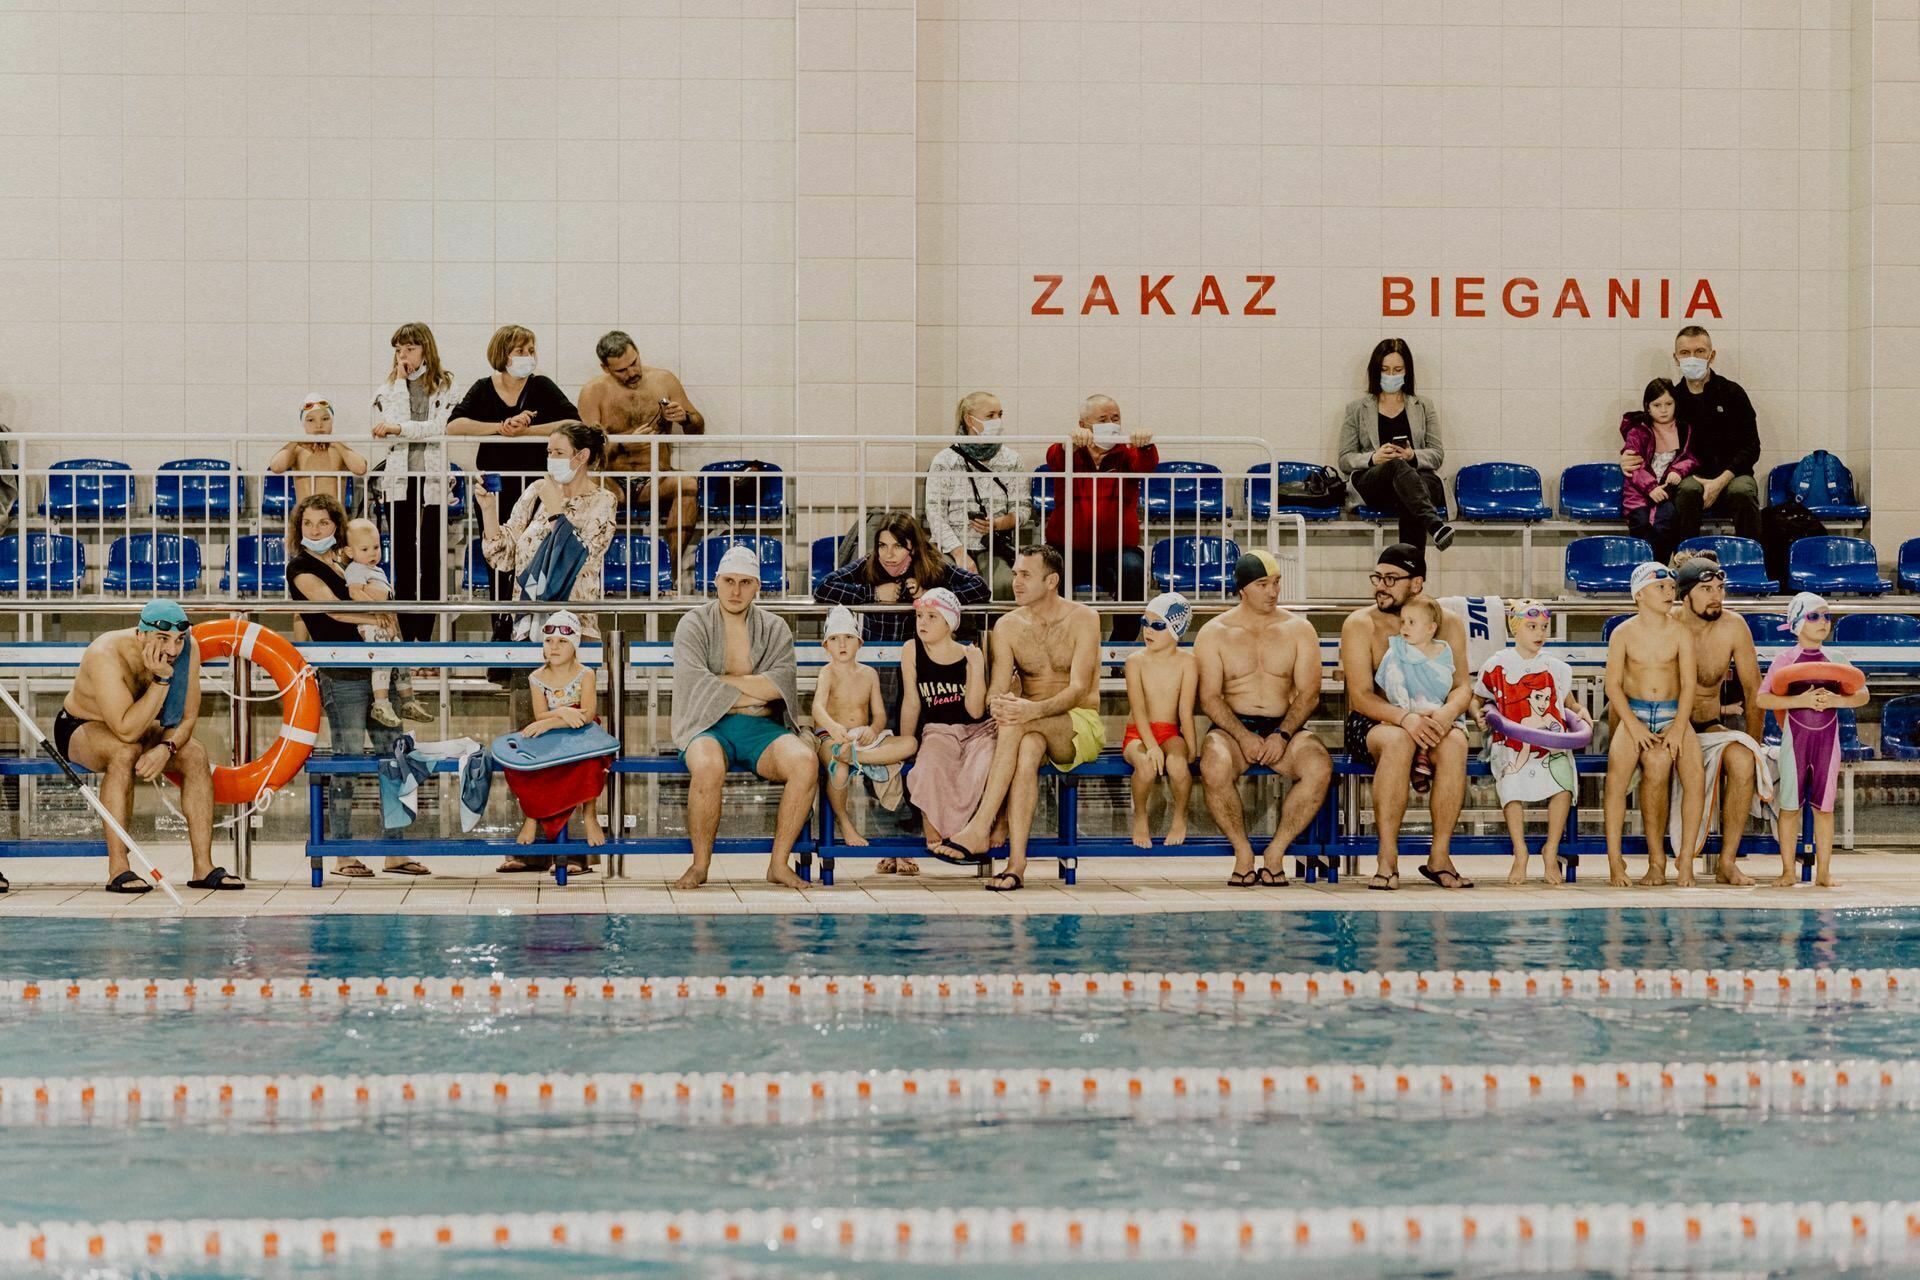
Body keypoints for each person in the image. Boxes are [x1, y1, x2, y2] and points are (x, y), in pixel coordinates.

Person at [475, 423, 618, 874]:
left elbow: (586, 550)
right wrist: (489, 511)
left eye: (557, 450)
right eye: (548, 449)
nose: (549, 457)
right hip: (528, 634)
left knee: (574, 740)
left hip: (579, 630)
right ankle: (532, 840)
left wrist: (558, 504)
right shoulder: (532, 494)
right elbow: (501, 556)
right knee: (530, 737)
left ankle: (573, 845)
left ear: (582, 457)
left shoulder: (603, 501)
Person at [927, 544, 1103, 891]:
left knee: (1017, 723)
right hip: (1027, 725)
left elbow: (1081, 689)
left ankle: (980, 827)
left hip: (1077, 723)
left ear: (1051, 580)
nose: (1016, 582)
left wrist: (1029, 710)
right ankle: (1016, 865)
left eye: (1025, 575)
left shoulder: (1085, 618)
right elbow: (995, 690)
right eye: (1015, 573)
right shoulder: (1006, 627)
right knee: (1024, 752)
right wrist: (1001, 702)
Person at [54, 600, 242, 892]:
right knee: (123, 752)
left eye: (179, 640)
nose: (172, 650)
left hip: (137, 726)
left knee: (194, 753)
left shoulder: (186, 652)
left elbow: (188, 718)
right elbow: (126, 731)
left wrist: (166, 748)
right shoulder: (106, 653)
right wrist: (161, 679)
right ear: (141, 634)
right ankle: (118, 869)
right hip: (81, 725)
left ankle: (203, 867)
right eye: (163, 639)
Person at [286, 494, 424, 878]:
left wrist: (383, 611)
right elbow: (328, 608)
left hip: (379, 670)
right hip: (342, 673)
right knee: (346, 761)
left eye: (323, 524)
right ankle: (344, 852)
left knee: (395, 756)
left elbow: (384, 593)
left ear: (337, 528)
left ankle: (396, 850)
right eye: (308, 524)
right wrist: (376, 614)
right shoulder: (300, 566)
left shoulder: (351, 560)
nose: (315, 531)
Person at [671, 544, 816, 889]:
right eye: (729, 581)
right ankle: (700, 864)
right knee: (707, 766)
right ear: (716, 581)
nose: (736, 591)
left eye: (745, 582)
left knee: (806, 762)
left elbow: (782, 685)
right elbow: (694, 685)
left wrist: (723, 687)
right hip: (706, 725)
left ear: (758, 586)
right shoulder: (693, 624)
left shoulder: (775, 627)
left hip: (760, 728)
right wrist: (755, 690)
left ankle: (778, 864)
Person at [1339, 544, 1473, 890]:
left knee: (1456, 743)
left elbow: (1462, 686)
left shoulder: (1448, 623)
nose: (1380, 586)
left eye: (1391, 579)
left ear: (1417, 583)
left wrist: (1446, 714)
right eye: (1377, 577)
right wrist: (1404, 718)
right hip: (1373, 720)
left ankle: (1439, 857)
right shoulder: (1360, 624)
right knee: (1399, 741)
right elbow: (1360, 696)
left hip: (1432, 716)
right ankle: (1387, 858)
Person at [1195, 551, 1333, 886]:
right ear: (1242, 588)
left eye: (1276, 583)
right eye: (1262, 584)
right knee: (1213, 765)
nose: (1273, 592)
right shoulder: (1214, 633)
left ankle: (1276, 852)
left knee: (1319, 766)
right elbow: (1210, 698)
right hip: (1232, 728)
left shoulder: (1299, 629)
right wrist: (1242, 736)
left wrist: (1282, 735)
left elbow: (1309, 694)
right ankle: (1243, 851)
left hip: (1284, 726)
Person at [448, 325, 582, 651]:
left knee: (534, 556)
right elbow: (454, 425)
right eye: (521, 351)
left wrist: (528, 431)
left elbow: (574, 423)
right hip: (495, 486)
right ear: (503, 355)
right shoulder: (483, 388)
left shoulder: (542, 386)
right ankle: (501, 626)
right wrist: (500, 427)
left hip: (536, 486)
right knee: (498, 554)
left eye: (531, 350)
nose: (528, 357)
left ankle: (533, 628)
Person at [1601, 562, 1705, 887]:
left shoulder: (1680, 633)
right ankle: (1616, 863)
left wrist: (1677, 728)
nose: (1669, 593)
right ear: (1639, 594)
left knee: (1695, 775)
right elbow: (1612, 686)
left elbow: (1689, 684)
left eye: (1672, 588)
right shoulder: (1623, 634)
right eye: (1660, 588)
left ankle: (1685, 859)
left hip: (1674, 712)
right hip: (1635, 712)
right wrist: (1632, 726)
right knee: (1615, 784)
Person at [1472, 601, 1590, 886]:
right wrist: (1478, 713)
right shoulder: (1497, 664)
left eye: (1544, 628)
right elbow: (1477, 698)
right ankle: (1520, 850)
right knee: (1511, 785)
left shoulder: (1555, 667)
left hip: (1552, 744)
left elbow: (1567, 701)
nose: (1540, 633)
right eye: (1532, 627)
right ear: (1515, 629)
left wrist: (1580, 711)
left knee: (1563, 786)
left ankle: (1551, 849)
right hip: (1512, 743)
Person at [1757, 592, 1867, 888]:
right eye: (1814, 616)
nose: (1823, 622)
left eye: (1827, 616)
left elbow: (1861, 694)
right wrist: (1800, 699)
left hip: (1827, 744)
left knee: (1825, 808)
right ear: (1796, 622)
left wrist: (1836, 700)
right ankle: (1787, 871)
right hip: (1796, 742)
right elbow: (1763, 699)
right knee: (1790, 807)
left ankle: (1823, 873)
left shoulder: (1837, 660)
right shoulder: (1785, 660)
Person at [1670, 552, 1767, 885]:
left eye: (1721, 589)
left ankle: (1727, 862)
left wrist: (1754, 743)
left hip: (1710, 725)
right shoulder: (1668, 624)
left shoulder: (1733, 626)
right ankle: (1657, 861)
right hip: (1668, 727)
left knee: (1742, 761)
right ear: (1686, 594)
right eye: (1707, 589)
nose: (1717, 597)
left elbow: (1754, 690)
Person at [578, 330, 705, 572]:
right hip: (612, 480)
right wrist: (624, 442)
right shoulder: (593, 392)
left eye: (634, 362)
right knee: (585, 485)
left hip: (656, 477)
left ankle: (671, 571)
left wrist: (685, 418)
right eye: (622, 370)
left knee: (688, 484)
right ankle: (591, 572)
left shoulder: (664, 380)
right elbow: (587, 450)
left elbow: (697, 429)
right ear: (605, 368)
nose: (633, 372)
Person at [370, 322, 457, 650]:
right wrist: (401, 384)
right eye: (398, 350)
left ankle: (427, 637)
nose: (403, 355)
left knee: (431, 559)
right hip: (400, 481)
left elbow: (438, 427)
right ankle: (408, 641)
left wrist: (399, 428)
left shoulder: (446, 382)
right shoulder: (389, 387)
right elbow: (382, 424)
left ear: (425, 349)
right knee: (404, 559)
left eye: (409, 348)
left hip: (433, 480)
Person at [1045, 396, 1157, 642]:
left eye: (1115, 418)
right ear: (1084, 425)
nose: (1111, 424)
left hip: (1116, 550)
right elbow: (1054, 457)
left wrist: (1146, 444)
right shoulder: (1067, 451)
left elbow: (1146, 465)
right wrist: (1070, 443)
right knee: (1048, 570)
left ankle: (1121, 646)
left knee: (1134, 568)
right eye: (1103, 419)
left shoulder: (1127, 454)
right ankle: (1059, 642)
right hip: (1068, 549)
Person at [1635, 326, 1762, 542]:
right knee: (1686, 491)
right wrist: (1629, 457)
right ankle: (1686, 560)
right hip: (1690, 476)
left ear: (1711, 356)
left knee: (1742, 492)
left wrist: (1720, 481)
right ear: (1676, 358)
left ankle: (1753, 563)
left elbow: (1752, 447)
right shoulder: (1672, 400)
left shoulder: (1733, 393)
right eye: (1684, 353)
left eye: (1700, 351)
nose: (1692, 358)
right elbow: (1646, 437)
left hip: (1733, 474)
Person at [900, 587, 992, 870]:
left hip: (977, 731)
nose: (923, 623)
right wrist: (907, 744)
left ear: (950, 623)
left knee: (982, 766)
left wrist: (977, 668)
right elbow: (911, 702)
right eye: (919, 616)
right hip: (938, 730)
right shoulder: (912, 649)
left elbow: (976, 711)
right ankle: (934, 830)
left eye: (931, 617)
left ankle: (970, 832)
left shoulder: (970, 654)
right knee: (929, 766)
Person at [812, 605, 915, 854]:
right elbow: (817, 708)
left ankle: (860, 757)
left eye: (848, 638)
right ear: (826, 646)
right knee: (839, 770)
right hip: (831, 737)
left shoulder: (869, 674)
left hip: (862, 739)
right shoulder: (827, 673)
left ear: (860, 643)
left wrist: (873, 728)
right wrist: (834, 727)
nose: (842, 644)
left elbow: (879, 714)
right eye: (835, 639)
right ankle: (844, 821)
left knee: (910, 743)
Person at [1337, 338, 1454, 552]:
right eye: (1385, 370)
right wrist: (1374, 458)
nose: (1391, 375)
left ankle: (1409, 577)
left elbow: (1437, 454)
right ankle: (1434, 526)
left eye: (1397, 369)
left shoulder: (1423, 406)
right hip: (1375, 480)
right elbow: (1345, 459)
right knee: (1397, 467)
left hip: (1418, 479)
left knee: (1412, 490)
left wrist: (1412, 455)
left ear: (1406, 371)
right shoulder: (1357, 408)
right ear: (1376, 371)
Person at [814, 511, 991, 645]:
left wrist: (932, 596)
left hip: (920, 658)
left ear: (912, 548)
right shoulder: (870, 562)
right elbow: (823, 587)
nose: (888, 555)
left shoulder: (930, 563)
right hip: (878, 657)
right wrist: (873, 593)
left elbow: (980, 588)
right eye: (882, 546)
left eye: (898, 546)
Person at [512, 608, 606, 850]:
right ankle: (531, 817)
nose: (554, 647)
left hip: (583, 732)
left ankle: (590, 816)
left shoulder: (586, 674)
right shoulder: (536, 677)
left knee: (589, 761)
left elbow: (587, 714)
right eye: (549, 641)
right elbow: (539, 715)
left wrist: (554, 720)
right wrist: (562, 714)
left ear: (574, 645)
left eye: (562, 641)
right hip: (551, 732)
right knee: (530, 765)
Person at [924, 391, 1029, 598]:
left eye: (1000, 414)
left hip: (993, 545)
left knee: (1005, 584)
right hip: (951, 547)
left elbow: (1023, 508)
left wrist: (999, 523)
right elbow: (935, 512)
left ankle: (997, 630)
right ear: (969, 419)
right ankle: (961, 631)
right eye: (990, 416)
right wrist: (959, 552)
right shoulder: (945, 460)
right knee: (948, 584)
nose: (997, 421)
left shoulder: (1012, 459)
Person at [1123, 592, 1197, 849]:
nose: (1148, 631)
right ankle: (1140, 816)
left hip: (1170, 733)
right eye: (1145, 623)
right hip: (1138, 733)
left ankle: (1180, 816)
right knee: (1145, 766)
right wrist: (1152, 745)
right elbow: (1139, 709)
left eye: (1157, 625)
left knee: (1178, 765)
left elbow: (1185, 711)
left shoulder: (1188, 662)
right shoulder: (1135, 662)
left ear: (1176, 630)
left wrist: (1192, 747)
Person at [342, 517, 421, 728]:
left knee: (400, 658)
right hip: (370, 624)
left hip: (384, 623)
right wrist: (377, 609)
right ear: (350, 552)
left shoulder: (377, 570)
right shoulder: (355, 569)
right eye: (365, 549)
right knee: (383, 658)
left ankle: (407, 699)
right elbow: (354, 592)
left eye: (376, 547)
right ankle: (381, 702)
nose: (372, 553)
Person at [1373, 595, 1458, 794]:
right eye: (1403, 622)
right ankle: (1418, 761)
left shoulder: (1444, 651)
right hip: (1404, 708)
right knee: (1405, 730)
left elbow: (1445, 680)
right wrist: (1404, 709)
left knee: (1436, 722)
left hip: (1433, 706)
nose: (1405, 628)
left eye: (1412, 623)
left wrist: (1438, 708)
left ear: (1431, 628)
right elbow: (1391, 678)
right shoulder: (1397, 651)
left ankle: (1423, 755)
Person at [1619, 377, 1700, 564]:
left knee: (1667, 522)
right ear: (1648, 407)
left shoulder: (1684, 429)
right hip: (1638, 494)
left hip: (1666, 492)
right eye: (1657, 405)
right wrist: (1650, 488)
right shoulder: (1637, 431)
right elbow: (1635, 466)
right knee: (1641, 523)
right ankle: (1644, 571)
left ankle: (1660, 571)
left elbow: (1691, 458)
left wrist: (1678, 471)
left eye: (1668, 404)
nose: (1663, 410)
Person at [266, 396, 369, 507]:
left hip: (334, 516)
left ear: (332, 421)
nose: (319, 425)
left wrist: (336, 443)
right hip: (306, 517)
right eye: (311, 420)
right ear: (303, 424)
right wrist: (294, 441)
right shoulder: (298, 450)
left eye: (325, 419)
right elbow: (276, 467)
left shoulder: (339, 449)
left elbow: (361, 468)